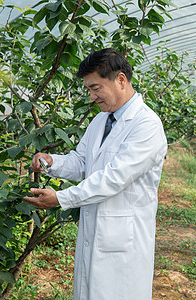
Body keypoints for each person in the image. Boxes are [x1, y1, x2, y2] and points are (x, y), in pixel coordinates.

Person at [24, 48, 168, 299]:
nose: (92, 97)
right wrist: (52, 161)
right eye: (89, 90)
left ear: (120, 80)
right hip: (97, 231)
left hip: (124, 239)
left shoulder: (146, 125)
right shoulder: (101, 120)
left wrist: (61, 198)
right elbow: (82, 162)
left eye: (96, 88)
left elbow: (114, 178)